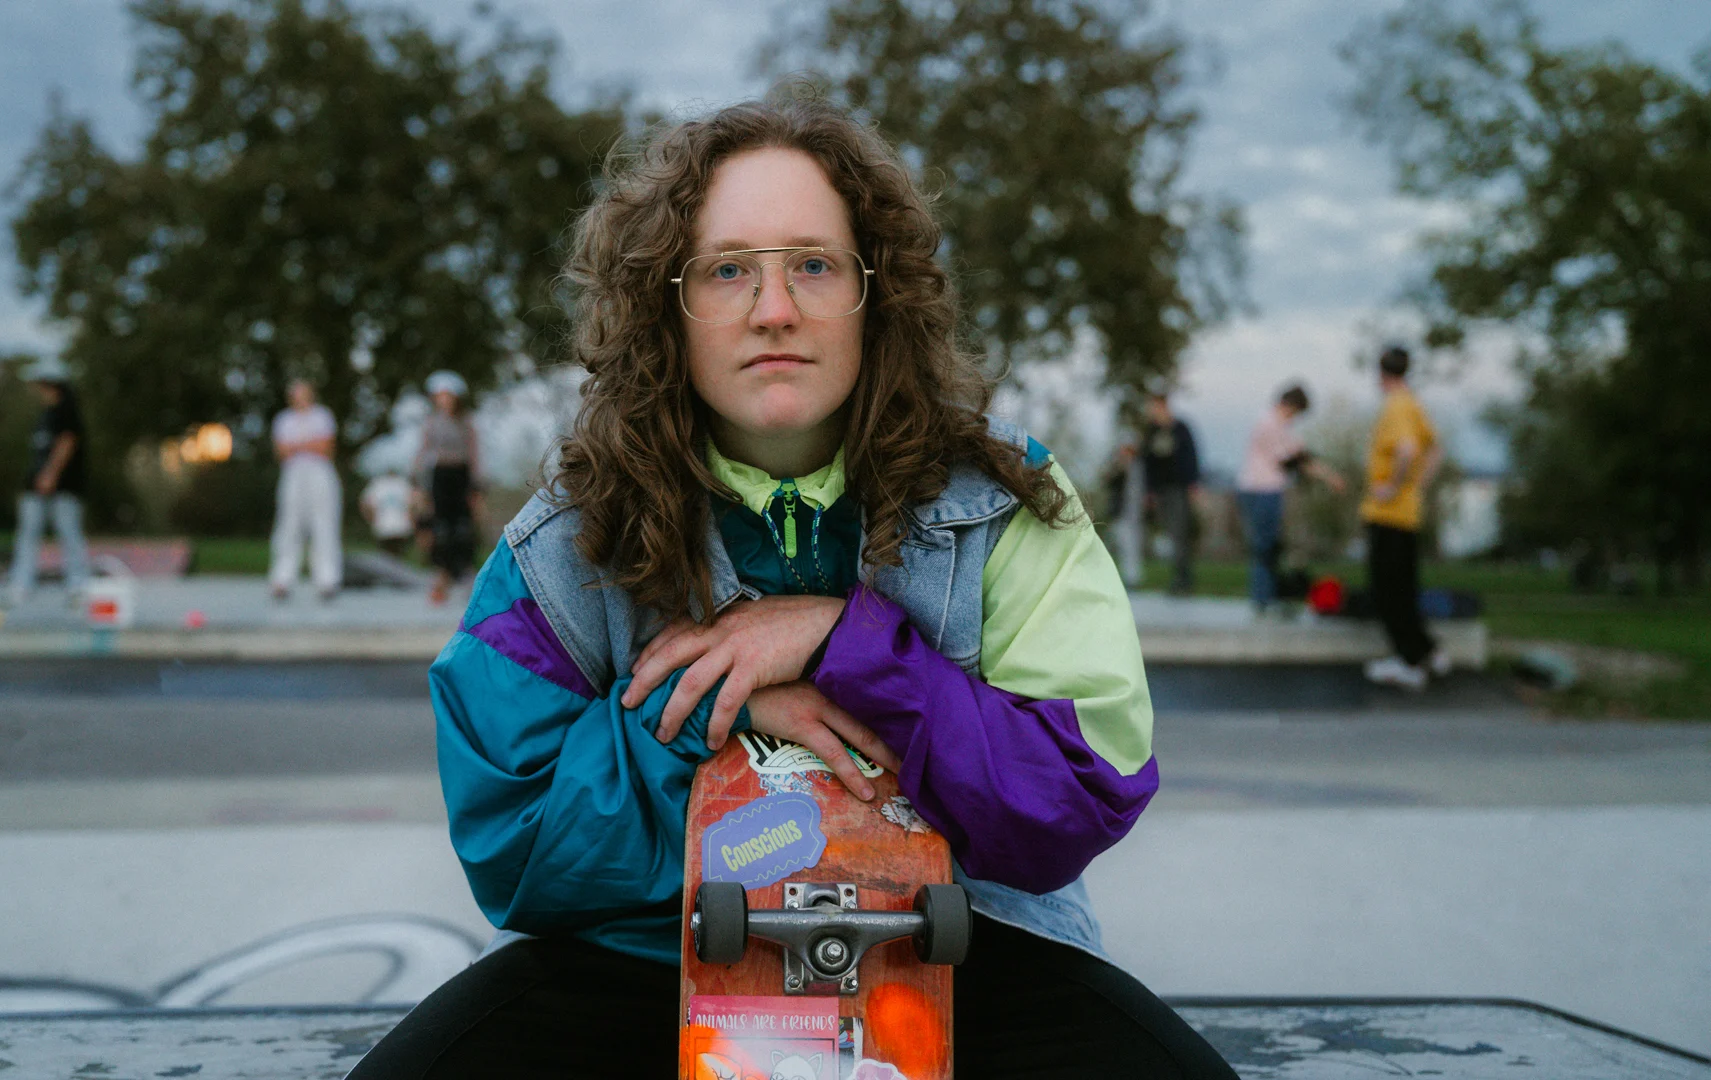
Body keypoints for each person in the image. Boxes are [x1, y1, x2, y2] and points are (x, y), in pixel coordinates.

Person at [348, 98, 1235, 1080]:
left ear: (878, 294)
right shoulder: (566, 539)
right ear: (664, 309)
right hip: (656, 958)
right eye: (728, 270)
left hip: (963, 950)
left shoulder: (1003, 501)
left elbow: (1081, 789)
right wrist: (722, 714)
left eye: (814, 264)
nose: (775, 308)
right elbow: (512, 843)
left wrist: (842, 643)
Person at [1361, 347, 1446, 690]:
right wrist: (1418, 486)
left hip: (1389, 514)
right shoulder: (1413, 403)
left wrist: (1393, 488)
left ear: (1381, 374)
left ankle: (1409, 663)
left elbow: (1408, 449)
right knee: (1404, 589)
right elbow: (1435, 449)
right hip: (1407, 513)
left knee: (1388, 592)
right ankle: (1429, 651)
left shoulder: (1396, 405)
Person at [1235, 384, 1347, 614]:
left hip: (1265, 489)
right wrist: (1326, 475)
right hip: (1261, 489)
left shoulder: (1281, 427)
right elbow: (1293, 461)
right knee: (1265, 547)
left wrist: (1330, 476)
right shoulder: (1269, 424)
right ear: (1290, 406)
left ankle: (1266, 597)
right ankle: (1262, 599)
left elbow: (1303, 457)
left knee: (1269, 546)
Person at [5, 359, 89, 606]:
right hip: (35, 485)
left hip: (63, 486)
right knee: (28, 533)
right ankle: (21, 584)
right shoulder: (46, 414)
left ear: (50, 384)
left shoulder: (66, 410)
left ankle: (77, 585)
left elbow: (67, 442)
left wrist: (50, 473)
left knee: (68, 532)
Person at [268, 379, 341, 600]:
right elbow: (281, 451)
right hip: (293, 475)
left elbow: (326, 447)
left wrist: (297, 446)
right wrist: (309, 444)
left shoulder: (323, 415)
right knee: (288, 524)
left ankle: (327, 579)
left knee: (324, 523)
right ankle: (282, 578)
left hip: (319, 474)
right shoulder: (283, 419)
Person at [413, 370, 481, 605]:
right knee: (439, 530)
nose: (442, 400)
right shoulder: (431, 423)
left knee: (462, 530)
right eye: (438, 395)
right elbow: (422, 454)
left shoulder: (466, 421)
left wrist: (477, 487)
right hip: (440, 477)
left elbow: (474, 454)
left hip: (460, 477)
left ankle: (468, 580)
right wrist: (418, 486)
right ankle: (441, 580)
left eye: (446, 395)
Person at [1140, 387, 1201, 595]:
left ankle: (1183, 580)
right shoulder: (1151, 431)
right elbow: (1147, 463)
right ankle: (1178, 578)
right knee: (1170, 532)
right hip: (1161, 489)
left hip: (1179, 488)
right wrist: (1148, 491)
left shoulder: (1180, 428)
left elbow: (1191, 456)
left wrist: (1193, 483)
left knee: (1179, 531)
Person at [359, 469, 415, 556]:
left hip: (397, 527)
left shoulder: (401, 483)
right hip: (389, 527)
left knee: (391, 556)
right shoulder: (379, 483)